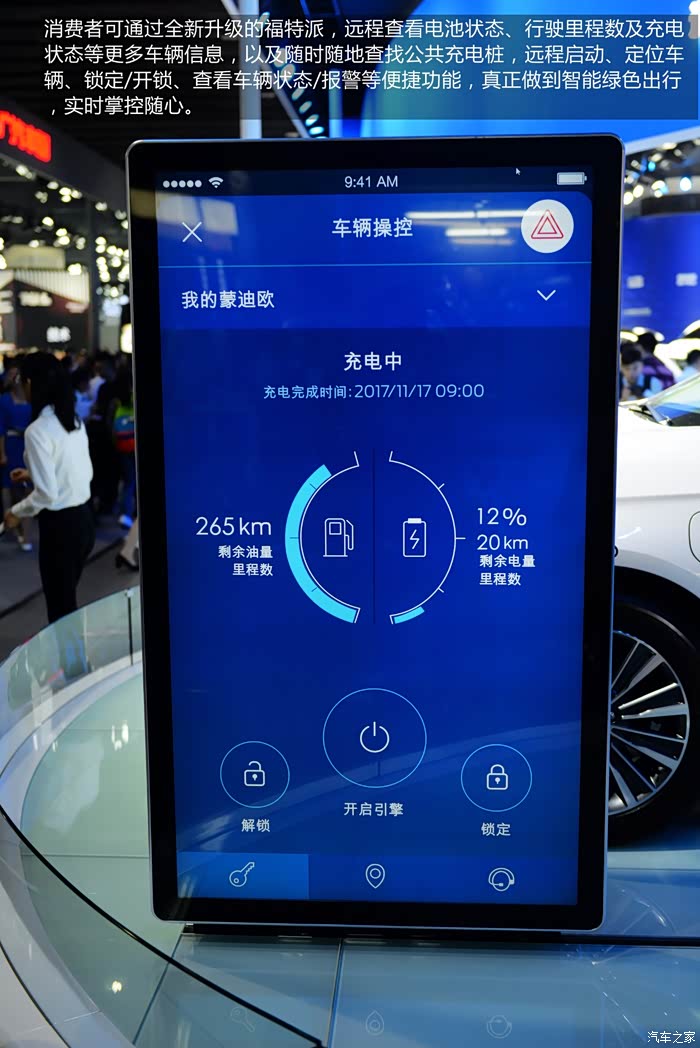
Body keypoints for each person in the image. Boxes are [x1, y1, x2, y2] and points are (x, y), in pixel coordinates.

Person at [3, 353, 95, 624]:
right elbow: (77, 471)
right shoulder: (72, 420)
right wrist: (32, 473)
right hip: (83, 522)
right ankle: (73, 652)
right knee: (66, 604)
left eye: (21, 380)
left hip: (60, 529)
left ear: (31, 383)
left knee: (60, 612)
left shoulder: (37, 430)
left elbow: (46, 494)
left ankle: (71, 654)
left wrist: (16, 511)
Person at [0, 354, 33, 551]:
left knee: (27, 489)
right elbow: (0, 429)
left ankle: (26, 534)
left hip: (27, 445)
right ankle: (11, 523)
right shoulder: (4, 400)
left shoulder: (32, 400)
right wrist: (2, 453)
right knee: (9, 487)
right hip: (11, 445)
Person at [108, 364, 136, 529]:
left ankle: (125, 513)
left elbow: (111, 427)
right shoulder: (134, 398)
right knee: (133, 480)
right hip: (135, 445)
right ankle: (131, 512)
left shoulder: (115, 402)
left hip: (122, 446)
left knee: (128, 480)